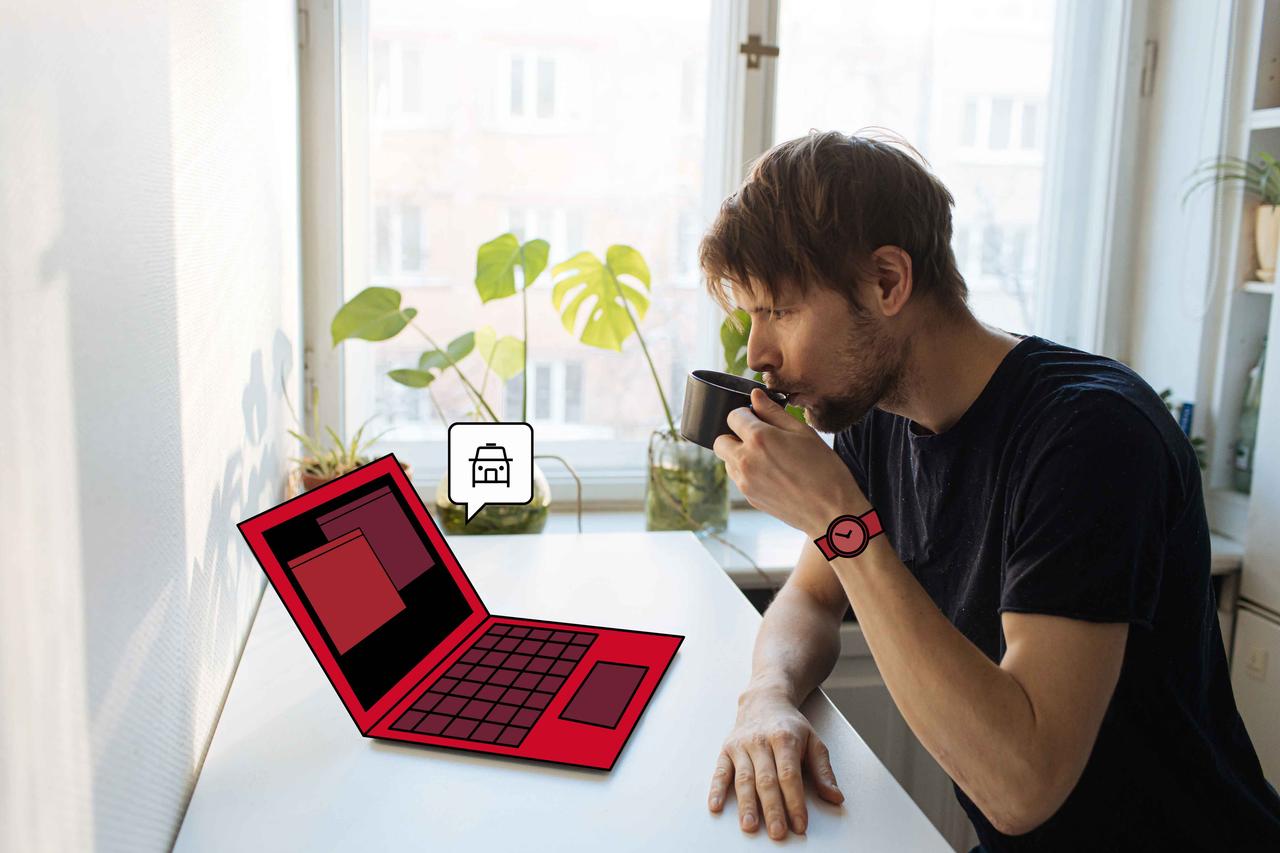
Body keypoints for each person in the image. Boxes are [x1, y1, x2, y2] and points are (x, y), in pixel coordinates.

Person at [698, 129, 1280, 851]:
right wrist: (767, 696)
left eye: (779, 311)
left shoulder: (1092, 436)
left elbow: (1020, 786)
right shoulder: (876, 418)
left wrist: (837, 517)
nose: (758, 353)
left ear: (888, 282)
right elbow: (814, 598)